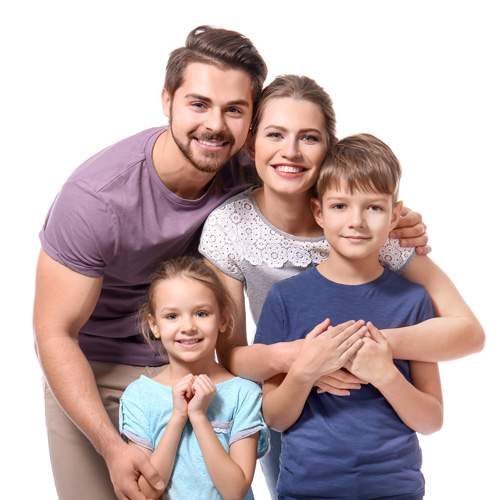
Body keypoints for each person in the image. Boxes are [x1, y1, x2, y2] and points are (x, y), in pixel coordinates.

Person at [199, 75, 484, 498]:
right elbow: (232, 358)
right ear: (251, 143)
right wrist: (302, 361)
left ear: (328, 146)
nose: (291, 151)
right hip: (294, 416)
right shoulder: (233, 229)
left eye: (309, 137)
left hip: (389, 469)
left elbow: (469, 334)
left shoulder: (377, 234)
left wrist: (360, 350)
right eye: (275, 134)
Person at [33, 25, 267, 500]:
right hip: (95, 370)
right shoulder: (96, 199)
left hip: (194, 364)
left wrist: (397, 218)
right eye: (198, 104)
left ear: (250, 120)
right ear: (167, 101)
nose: (216, 125)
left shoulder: (251, 165)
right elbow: (53, 332)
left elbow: (338, 184)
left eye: (234, 110)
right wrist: (110, 446)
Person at [255, 133, 444, 499]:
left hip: (395, 490)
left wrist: (385, 374)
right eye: (340, 206)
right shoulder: (285, 298)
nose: (356, 221)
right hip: (307, 490)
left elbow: (432, 420)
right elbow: (275, 418)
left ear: (394, 215)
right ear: (319, 212)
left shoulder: (413, 301)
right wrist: (306, 371)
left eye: (373, 207)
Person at [119, 256, 268, 500]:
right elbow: (145, 492)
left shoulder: (244, 394)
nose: (188, 326)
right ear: (154, 325)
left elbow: (235, 491)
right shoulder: (139, 396)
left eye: (201, 313)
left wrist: (199, 417)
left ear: (223, 319)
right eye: (172, 316)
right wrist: (178, 416)